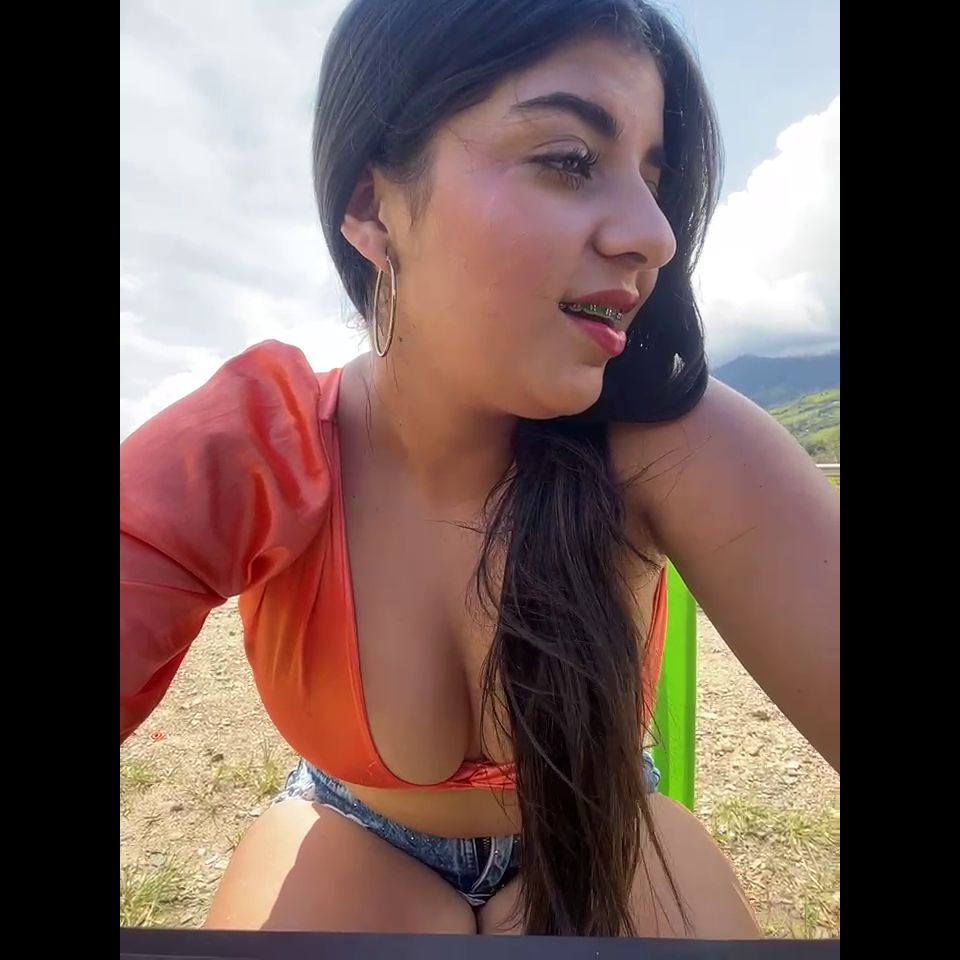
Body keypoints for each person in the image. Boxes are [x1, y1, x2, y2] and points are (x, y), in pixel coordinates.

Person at [119, 0, 839, 939]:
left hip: (604, 823)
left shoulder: (671, 439)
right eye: (569, 159)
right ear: (372, 207)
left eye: (654, 179)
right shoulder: (263, 441)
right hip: (352, 832)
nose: (654, 234)